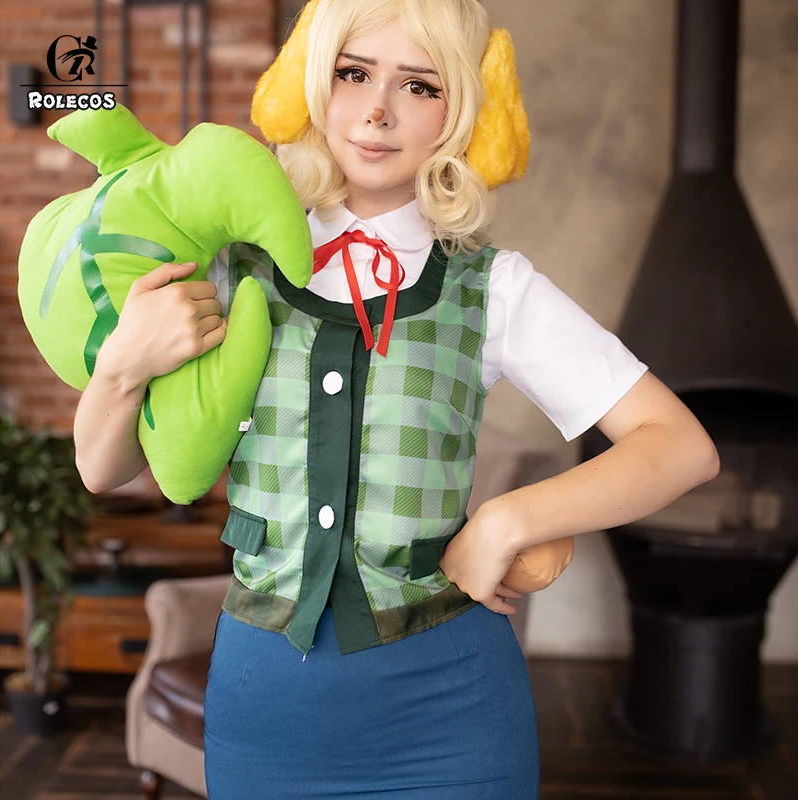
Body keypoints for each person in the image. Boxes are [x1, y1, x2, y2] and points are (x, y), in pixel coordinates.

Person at [73, 0, 720, 797]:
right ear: (314, 83)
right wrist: (121, 369)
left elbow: (681, 446)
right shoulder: (231, 268)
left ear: (457, 112)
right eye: (353, 73)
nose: (377, 110)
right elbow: (103, 470)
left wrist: (508, 521)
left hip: (452, 720)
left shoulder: (492, 288)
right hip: (265, 716)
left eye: (420, 85)